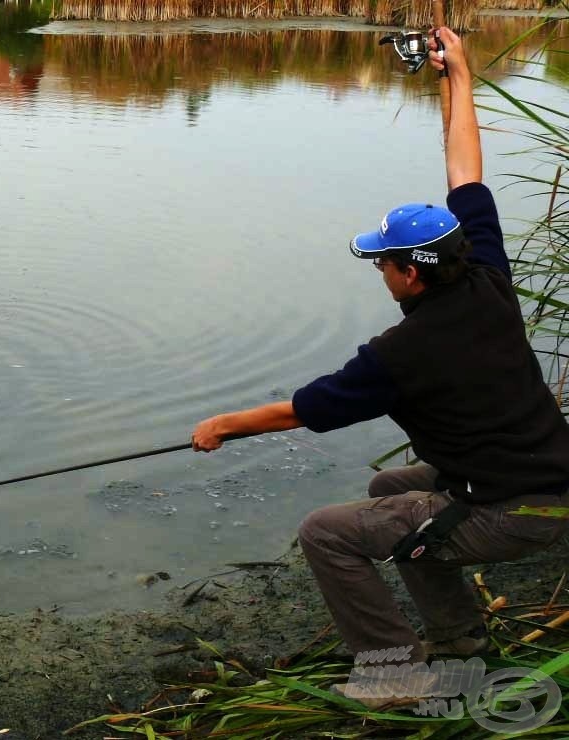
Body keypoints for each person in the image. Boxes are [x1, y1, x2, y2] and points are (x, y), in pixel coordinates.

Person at [190, 27, 569, 707]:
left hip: (522, 510)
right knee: (391, 486)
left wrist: (221, 424)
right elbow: (467, 173)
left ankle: (395, 673)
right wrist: (459, 76)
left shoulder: (401, 354)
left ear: (412, 276)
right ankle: (460, 643)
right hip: (546, 478)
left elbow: (300, 412)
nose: (379, 271)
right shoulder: (486, 275)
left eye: (383, 262)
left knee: (325, 532)